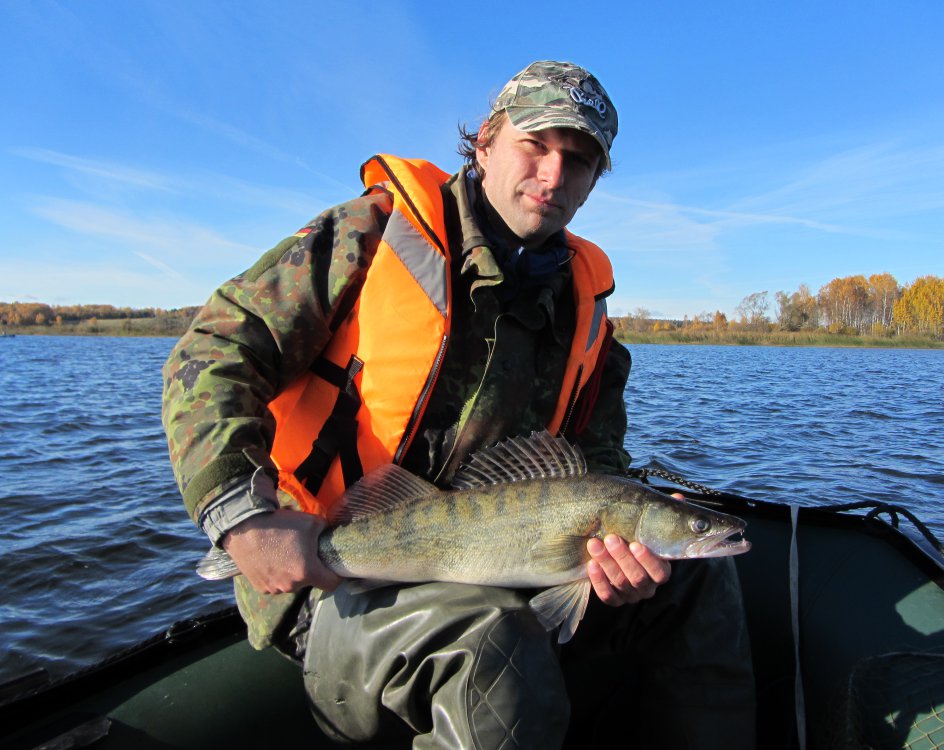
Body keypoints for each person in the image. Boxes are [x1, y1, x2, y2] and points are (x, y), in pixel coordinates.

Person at [162, 60, 756, 748]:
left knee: (700, 579)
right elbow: (213, 352)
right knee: (493, 644)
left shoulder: (590, 318)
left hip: (501, 564)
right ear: (485, 142)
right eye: (536, 144)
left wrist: (618, 563)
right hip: (330, 576)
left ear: (595, 180)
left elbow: (597, 465)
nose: (554, 175)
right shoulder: (371, 233)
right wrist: (241, 517)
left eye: (580, 160)